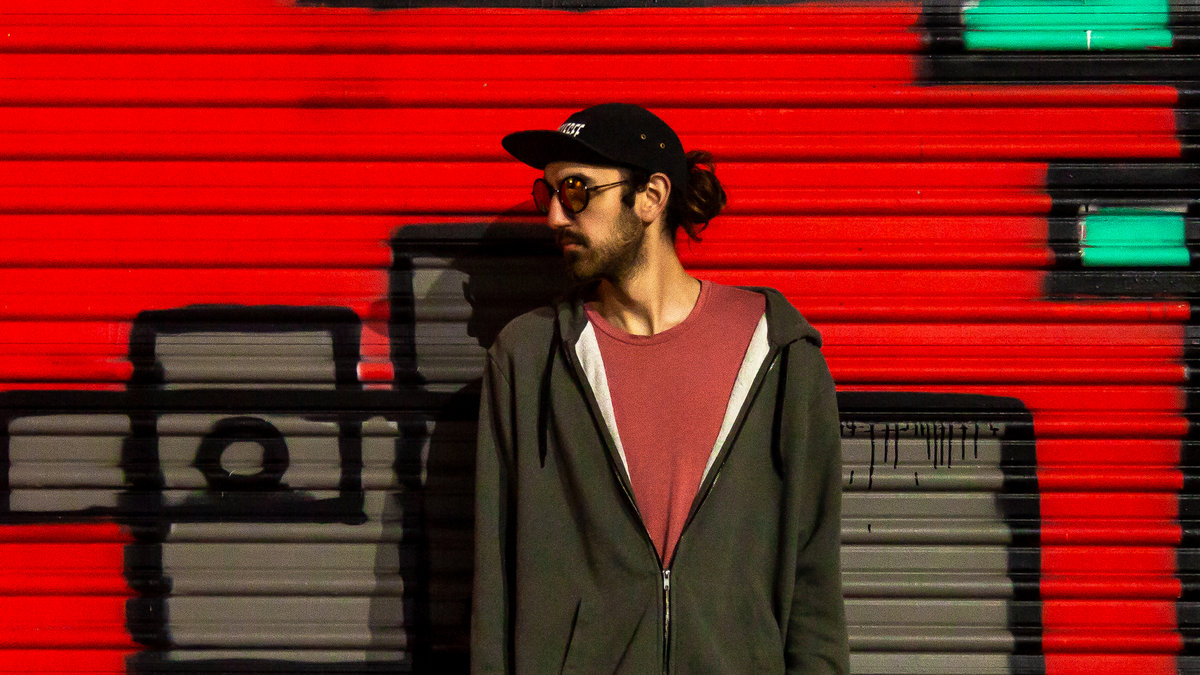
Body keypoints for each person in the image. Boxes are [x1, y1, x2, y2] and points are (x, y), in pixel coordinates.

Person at [472, 103, 848, 673]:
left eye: (575, 191)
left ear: (651, 197)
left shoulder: (778, 354)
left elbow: (814, 581)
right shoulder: (527, 358)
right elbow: (493, 584)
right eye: (545, 193)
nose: (553, 216)